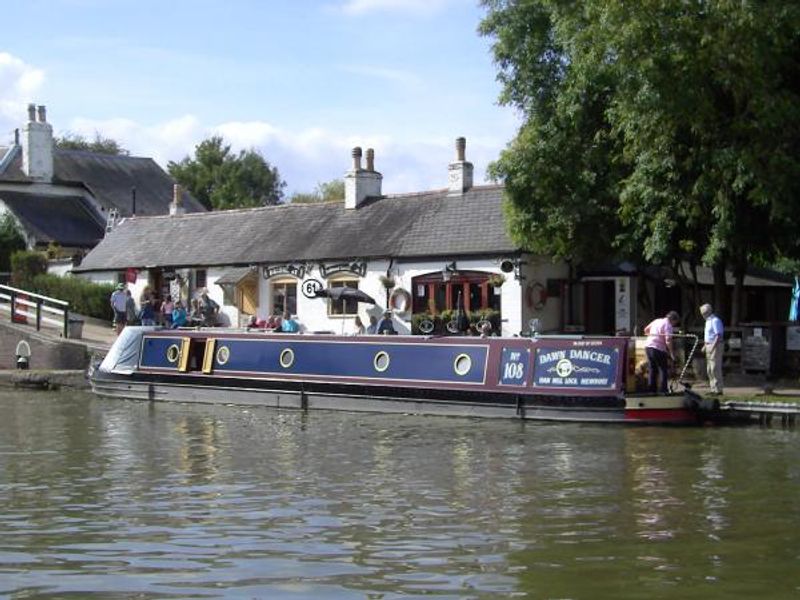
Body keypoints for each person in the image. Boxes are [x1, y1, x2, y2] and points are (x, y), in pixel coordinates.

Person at [643, 310, 680, 394]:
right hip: (658, 348)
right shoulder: (668, 325)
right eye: (675, 323)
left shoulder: (657, 321)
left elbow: (646, 330)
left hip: (648, 346)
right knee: (663, 369)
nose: (674, 325)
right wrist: (671, 353)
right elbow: (668, 340)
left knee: (652, 369)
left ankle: (652, 390)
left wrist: (653, 336)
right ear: (673, 320)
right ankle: (663, 390)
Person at [700, 303, 724, 394]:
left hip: (716, 345)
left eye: (704, 313)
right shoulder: (707, 321)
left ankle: (719, 390)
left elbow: (718, 335)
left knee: (715, 368)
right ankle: (713, 389)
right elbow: (709, 335)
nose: (703, 315)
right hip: (708, 345)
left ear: (709, 312)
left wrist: (713, 347)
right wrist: (705, 346)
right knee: (709, 369)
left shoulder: (715, 321)